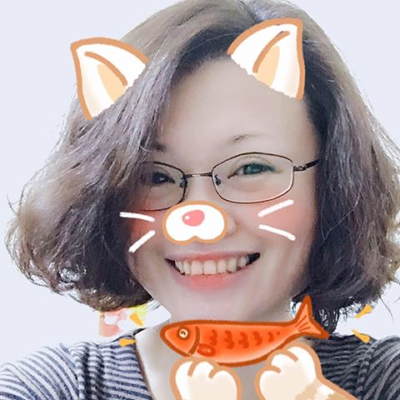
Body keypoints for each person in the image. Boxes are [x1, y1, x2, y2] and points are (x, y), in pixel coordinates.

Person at [1, 0, 400, 399]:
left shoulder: (384, 379)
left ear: (333, 183)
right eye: (155, 176)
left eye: (250, 168)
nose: (200, 222)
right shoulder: (47, 388)